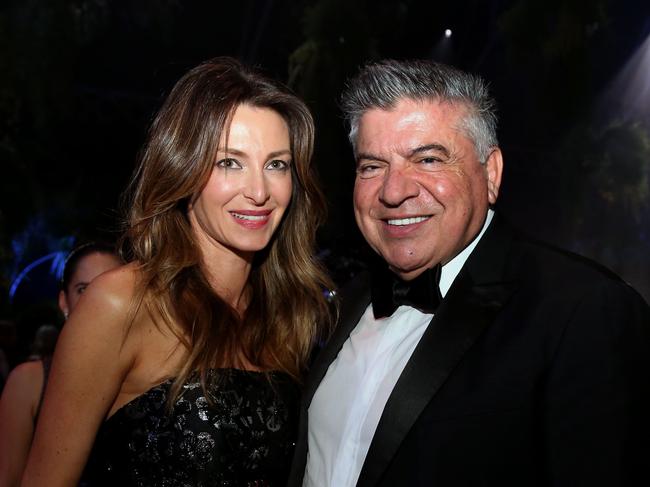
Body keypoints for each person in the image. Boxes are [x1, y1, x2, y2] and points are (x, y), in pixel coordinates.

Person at [289, 59, 650, 486]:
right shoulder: (347, 300)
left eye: (427, 159)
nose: (393, 190)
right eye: (372, 166)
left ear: (490, 172)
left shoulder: (582, 311)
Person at [21, 57, 333, 487]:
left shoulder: (286, 314)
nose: (259, 191)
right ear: (183, 169)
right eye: (230, 162)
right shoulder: (120, 304)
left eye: (276, 164)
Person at [0, 242, 121, 487]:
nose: (99, 302)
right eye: (83, 289)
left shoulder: (152, 379)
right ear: (64, 302)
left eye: (112, 288)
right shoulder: (29, 381)